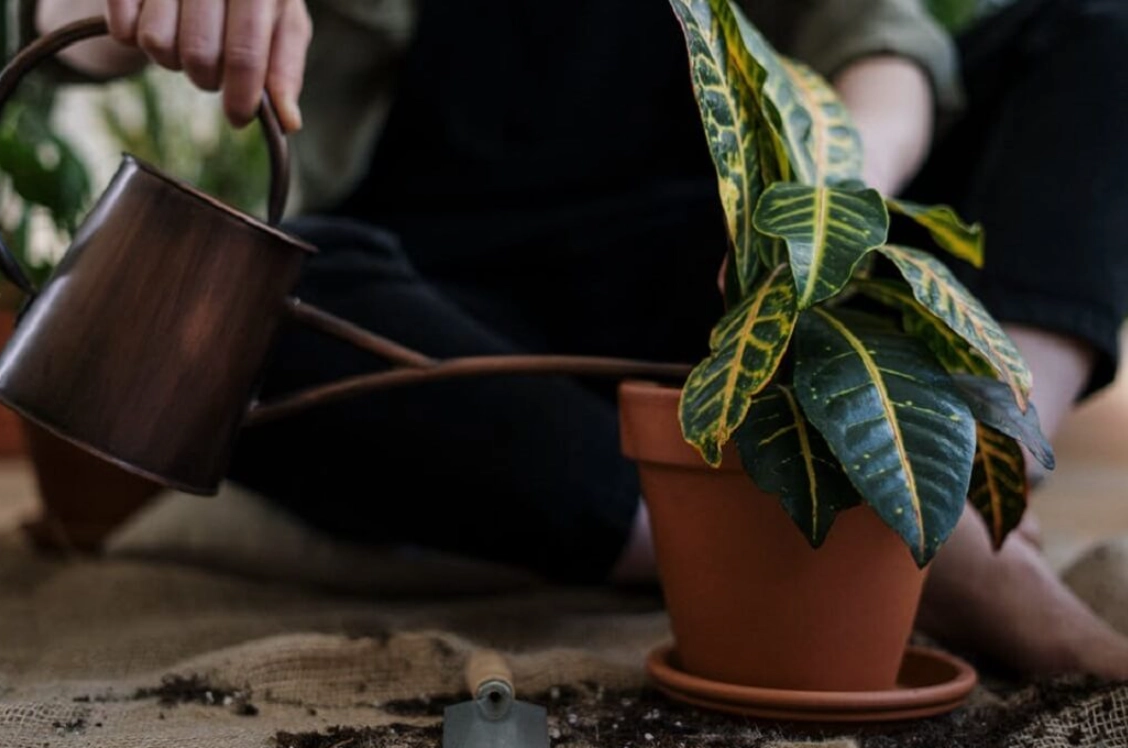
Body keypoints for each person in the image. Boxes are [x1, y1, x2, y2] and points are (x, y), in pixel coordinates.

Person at [23, 0, 1128, 680]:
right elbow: (63, 28)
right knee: (249, 314)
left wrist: (819, 215)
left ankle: (984, 483)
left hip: (732, 281)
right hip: (454, 301)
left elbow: (886, 48)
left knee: (1096, 37)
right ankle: (776, 544)